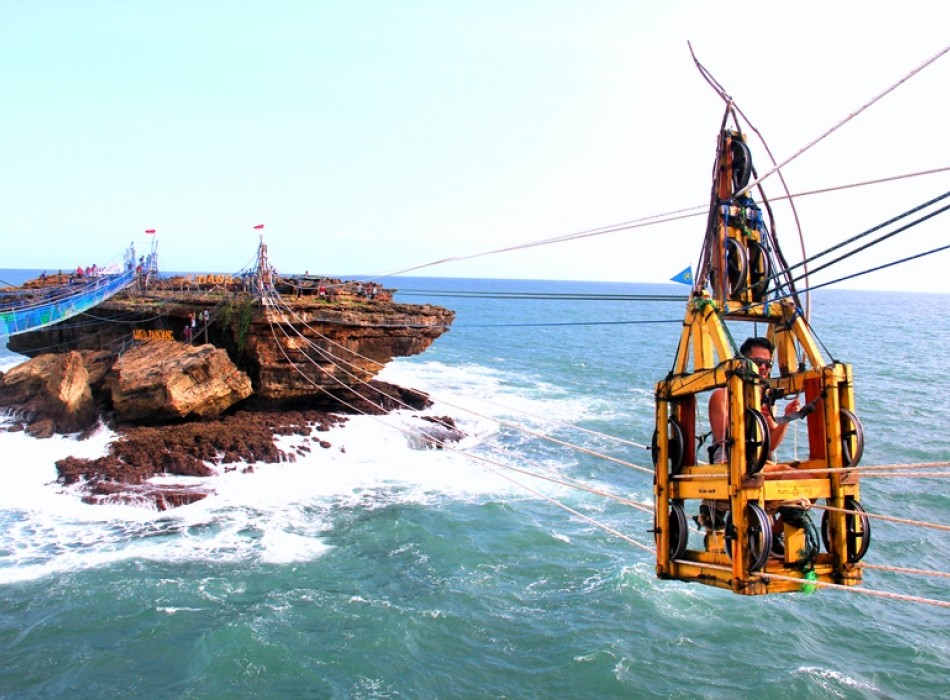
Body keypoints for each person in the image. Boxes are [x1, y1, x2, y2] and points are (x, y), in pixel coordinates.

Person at [699, 336, 802, 532]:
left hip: (759, 464)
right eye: (758, 362)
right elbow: (723, 438)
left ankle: (772, 535)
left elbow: (771, 445)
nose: (763, 368)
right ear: (745, 363)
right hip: (730, 463)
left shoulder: (764, 400)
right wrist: (750, 418)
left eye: (767, 364)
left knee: (809, 480)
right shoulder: (722, 396)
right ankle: (764, 533)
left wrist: (787, 418)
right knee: (793, 476)